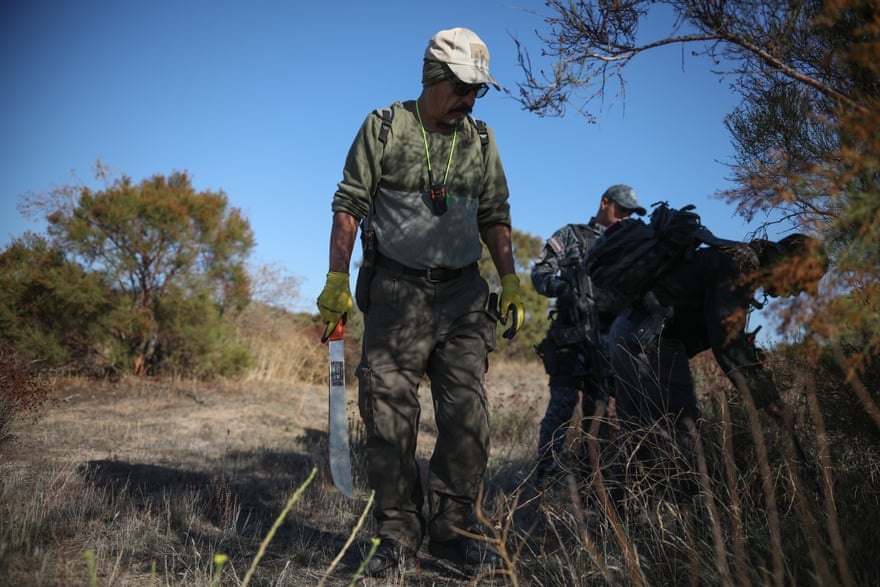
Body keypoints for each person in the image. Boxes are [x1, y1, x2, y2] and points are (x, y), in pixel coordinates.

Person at [316, 27, 525, 577]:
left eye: (477, 90)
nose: (468, 99)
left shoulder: (481, 140)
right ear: (433, 77)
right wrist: (337, 279)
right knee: (387, 415)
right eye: (459, 86)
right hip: (395, 293)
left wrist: (512, 280)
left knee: (467, 418)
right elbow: (348, 206)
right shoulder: (384, 128)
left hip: (462, 295)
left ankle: (453, 532)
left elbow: (495, 214)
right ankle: (397, 537)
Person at [606, 232, 827, 512]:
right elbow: (727, 343)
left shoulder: (735, 260)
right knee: (679, 433)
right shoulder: (737, 267)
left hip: (630, 332)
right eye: (801, 283)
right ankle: (689, 525)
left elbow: (722, 332)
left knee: (637, 432)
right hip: (652, 344)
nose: (795, 292)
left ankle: (615, 517)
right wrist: (772, 401)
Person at [531, 185, 646, 485]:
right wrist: (561, 289)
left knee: (598, 416)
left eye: (629, 215)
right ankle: (546, 476)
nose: (623, 218)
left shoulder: (632, 247)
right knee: (562, 407)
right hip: (569, 338)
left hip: (607, 342)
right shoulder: (572, 235)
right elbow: (540, 272)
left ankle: (591, 480)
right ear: (604, 203)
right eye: (619, 210)